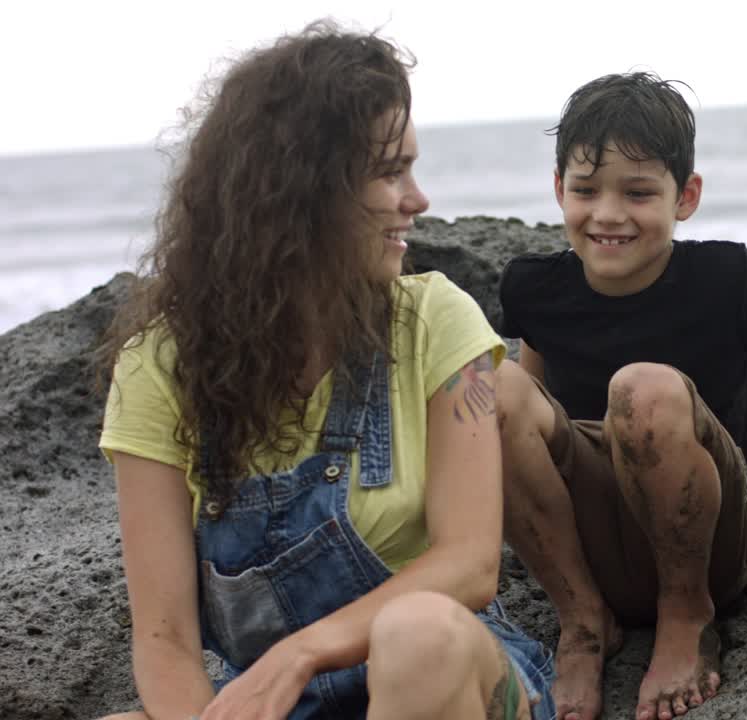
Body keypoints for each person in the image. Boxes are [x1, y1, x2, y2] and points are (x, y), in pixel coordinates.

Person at [96, 21, 553, 720]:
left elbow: (470, 566)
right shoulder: (159, 366)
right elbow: (165, 642)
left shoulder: (433, 318)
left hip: (453, 677)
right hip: (291, 708)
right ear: (302, 193)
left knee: (417, 631)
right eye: (388, 171)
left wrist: (299, 652)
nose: (418, 199)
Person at [494, 72, 747, 720]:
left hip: (710, 539)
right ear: (560, 190)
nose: (608, 214)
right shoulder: (534, 288)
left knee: (641, 389)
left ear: (685, 196)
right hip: (591, 546)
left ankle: (685, 615)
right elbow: (527, 416)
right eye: (585, 191)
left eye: (638, 193)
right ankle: (584, 624)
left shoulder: (731, 278)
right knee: (491, 389)